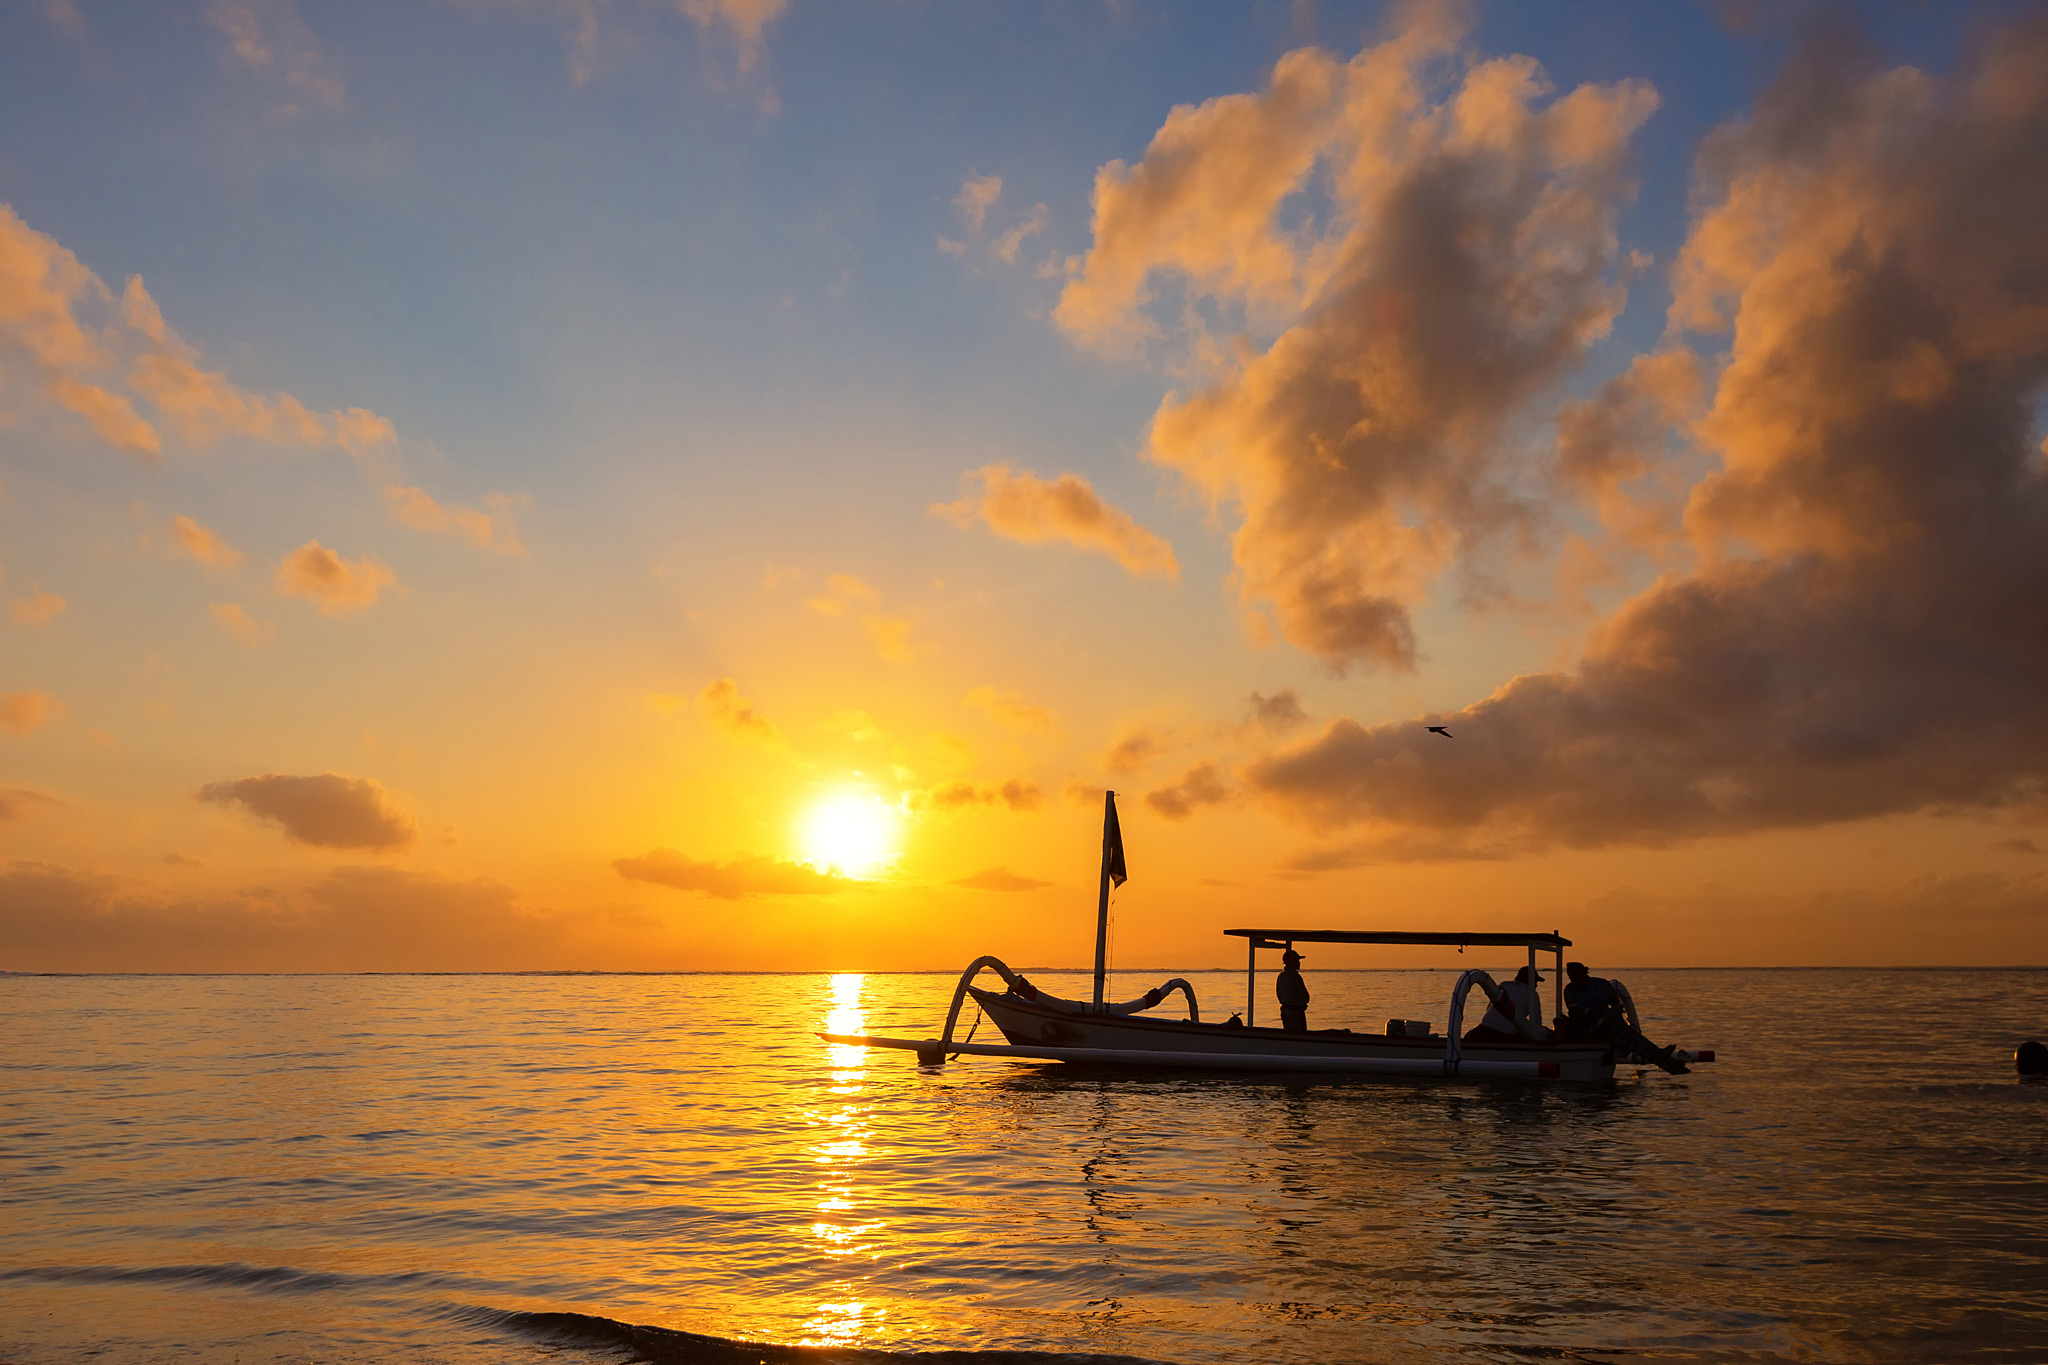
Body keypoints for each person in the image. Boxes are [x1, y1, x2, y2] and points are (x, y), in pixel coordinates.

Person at [1560, 961, 1688, 1074]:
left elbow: (1616, 1005)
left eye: (1575, 977)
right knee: (1623, 1032)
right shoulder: (1570, 990)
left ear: (1584, 974)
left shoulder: (1602, 985)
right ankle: (1658, 1055)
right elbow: (1575, 1014)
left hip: (1609, 1021)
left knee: (1619, 1027)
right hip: (1589, 1024)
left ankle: (1663, 1059)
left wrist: (1607, 1016)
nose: (1573, 981)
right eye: (1571, 978)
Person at [1476, 965, 1549, 1040]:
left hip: (1485, 1025)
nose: (1536, 985)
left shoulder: (1504, 985)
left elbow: (1489, 1007)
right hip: (1504, 1033)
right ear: (1530, 981)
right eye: (1535, 982)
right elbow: (1536, 1023)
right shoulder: (1532, 994)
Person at [1276, 948, 1310, 1031]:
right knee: (1299, 1035)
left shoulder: (1281, 976)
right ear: (1291, 962)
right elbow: (1304, 996)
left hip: (1285, 1011)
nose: (1299, 963)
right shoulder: (1295, 977)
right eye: (1297, 960)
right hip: (1295, 1012)